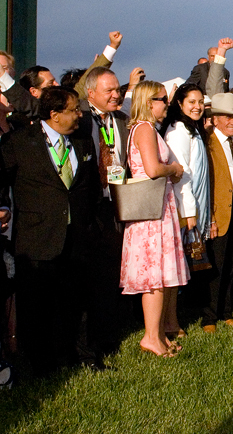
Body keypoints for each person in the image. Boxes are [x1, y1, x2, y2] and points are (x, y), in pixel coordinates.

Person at [0, 87, 104, 374]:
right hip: (38, 237)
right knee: (38, 305)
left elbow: (91, 186)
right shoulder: (20, 142)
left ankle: (82, 355)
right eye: (74, 110)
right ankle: (42, 365)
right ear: (55, 115)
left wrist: (90, 223)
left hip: (77, 237)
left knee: (76, 301)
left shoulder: (83, 143)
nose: (79, 115)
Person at [120, 81, 188, 358]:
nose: (166, 104)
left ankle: (158, 333)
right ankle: (151, 337)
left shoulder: (146, 128)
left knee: (159, 275)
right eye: (162, 99)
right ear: (149, 102)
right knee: (154, 276)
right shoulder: (145, 128)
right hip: (151, 213)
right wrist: (173, 168)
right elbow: (151, 168)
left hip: (159, 207)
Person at [74, 67, 130, 356]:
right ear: (91, 92)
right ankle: (87, 341)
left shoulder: (122, 119)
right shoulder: (80, 119)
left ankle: (107, 337)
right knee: (88, 277)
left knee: (110, 273)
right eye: (109, 90)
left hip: (116, 202)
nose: (116, 94)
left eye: (118, 89)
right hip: (87, 206)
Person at [206, 93, 233, 332]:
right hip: (219, 210)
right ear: (216, 119)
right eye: (229, 118)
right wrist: (210, 216)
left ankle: (225, 311)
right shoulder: (209, 143)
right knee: (217, 265)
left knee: (232, 263)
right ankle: (209, 316)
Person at [162, 84, 211, 260]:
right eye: (191, 102)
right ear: (180, 103)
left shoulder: (192, 128)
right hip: (185, 210)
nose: (197, 106)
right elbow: (181, 173)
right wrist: (189, 213)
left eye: (200, 102)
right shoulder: (178, 130)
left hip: (197, 206)